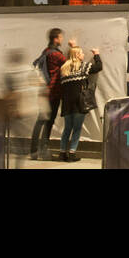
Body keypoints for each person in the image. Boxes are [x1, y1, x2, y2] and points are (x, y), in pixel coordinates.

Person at [57, 44, 101, 162]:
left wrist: (73, 46)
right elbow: (98, 67)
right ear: (77, 55)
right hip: (79, 103)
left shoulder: (64, 69)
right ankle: (72, 153)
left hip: (67, 103)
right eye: (81, 53)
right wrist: (96, 54)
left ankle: (62, 153)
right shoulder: (83, 67)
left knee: (67, 129)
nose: (83, 55)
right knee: (76, 129)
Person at [28, 28, 65, 161]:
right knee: (48, 122)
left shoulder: (46, 51)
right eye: (61, 37)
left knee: (40, 121)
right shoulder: (56, 55)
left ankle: (33, 151)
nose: (62, 39)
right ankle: (43, 151)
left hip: (43, 92)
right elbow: (68, 64)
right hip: (53, 92)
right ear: (55, 38)